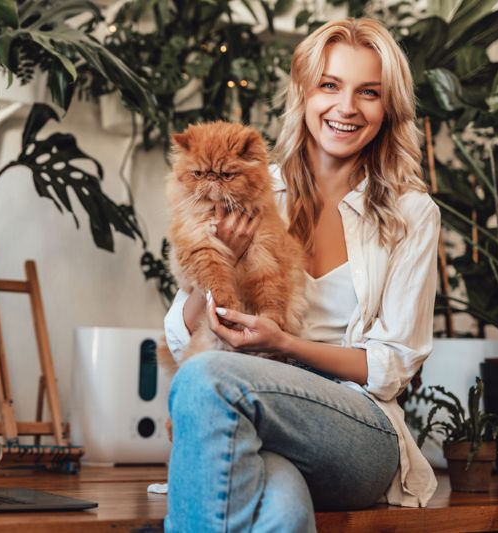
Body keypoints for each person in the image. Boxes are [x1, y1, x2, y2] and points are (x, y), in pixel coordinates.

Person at [162, 18, 440, 532]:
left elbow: (394, 364)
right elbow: (183, 335)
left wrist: (285, 344)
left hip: (357, 428)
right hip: (258, 416)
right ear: (304, 93)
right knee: (282, 509)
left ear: (388, 108)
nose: (346, 107)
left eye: (368, 92)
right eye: (330, 85)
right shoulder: (246, 184)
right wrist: (223, 261)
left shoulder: (410, 212)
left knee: (206, 380)